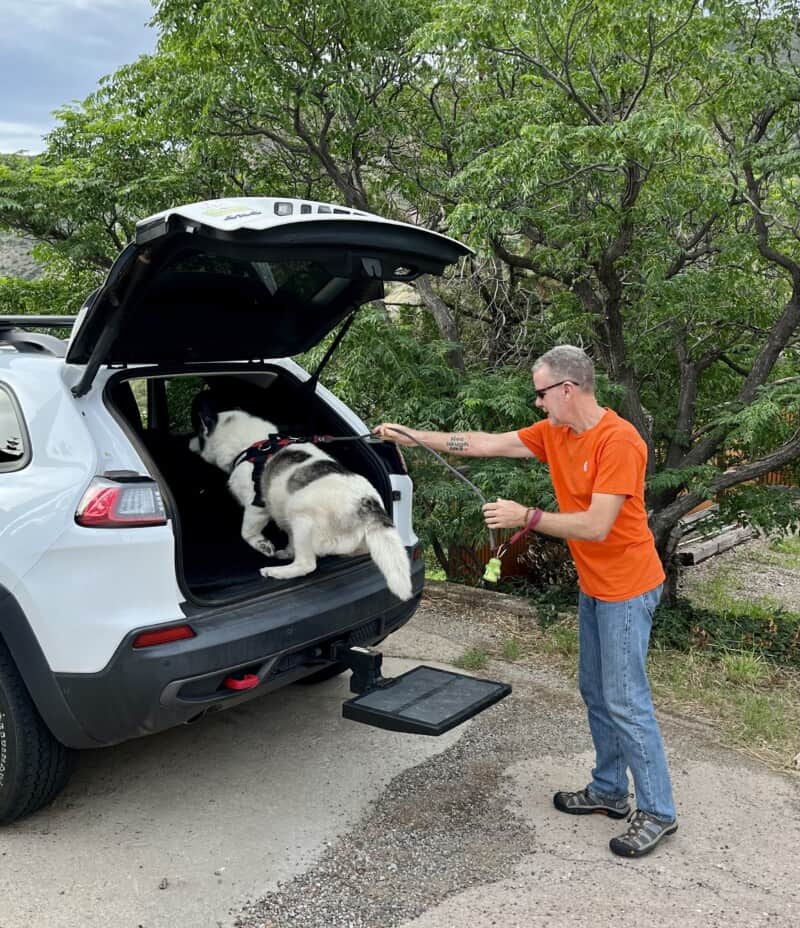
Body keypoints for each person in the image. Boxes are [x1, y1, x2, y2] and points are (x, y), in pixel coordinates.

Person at [374, 344, 677, 858]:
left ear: (567, 389)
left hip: (627, 587)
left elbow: (597, 526)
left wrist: (527, 517)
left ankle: (658, 812)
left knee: (625, 699)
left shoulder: (619, 441)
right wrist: (415, 436)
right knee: (596, 692)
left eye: (541, 394)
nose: (537, 404)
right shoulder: (556, 433)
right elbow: (486, 443)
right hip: (594, 586)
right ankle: (608, 791)